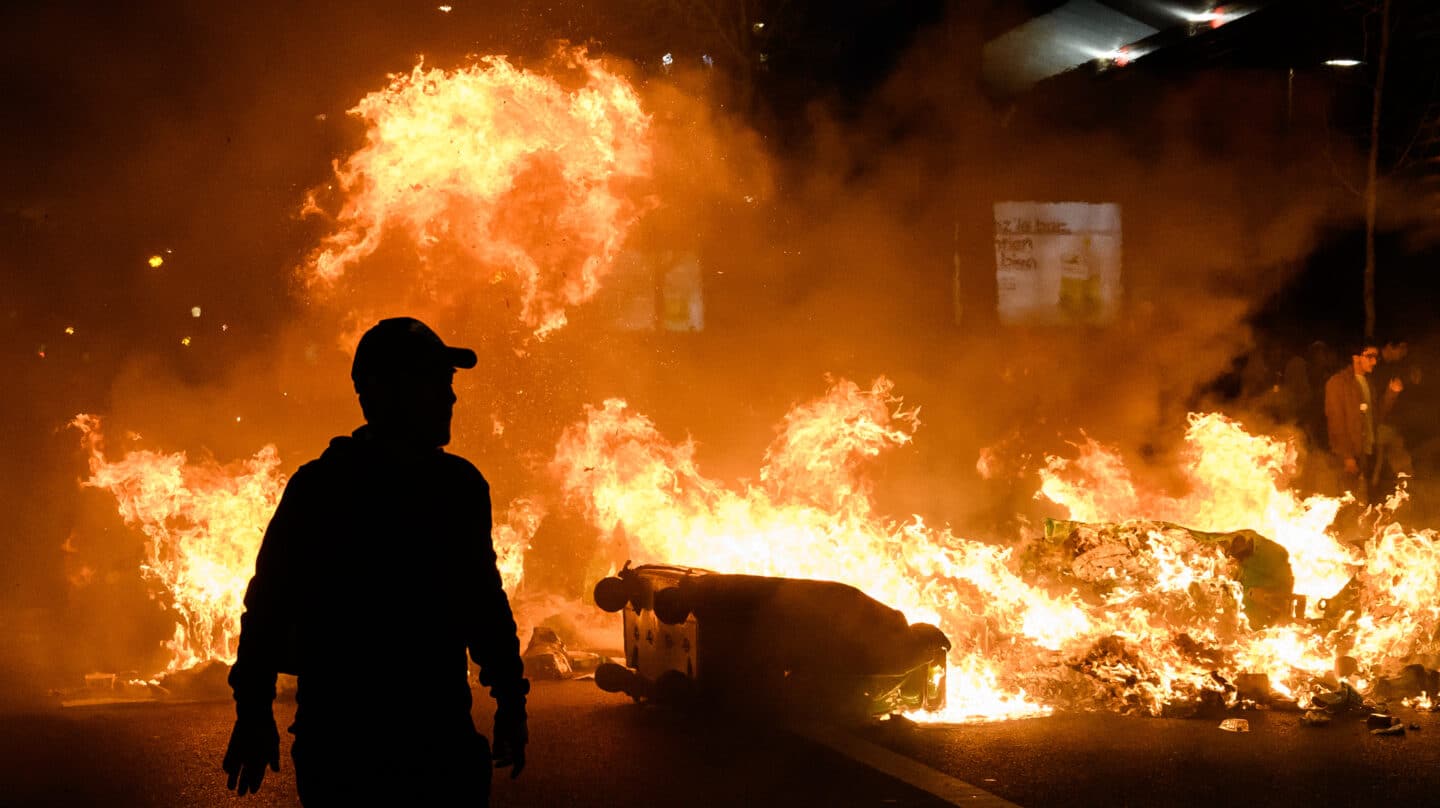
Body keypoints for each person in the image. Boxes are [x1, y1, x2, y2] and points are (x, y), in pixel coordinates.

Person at [221, 317, 529, 805]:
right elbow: (269, 608)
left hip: (412, 743)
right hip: (358, 750)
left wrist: (512, 698)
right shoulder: (328, 490)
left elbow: (483, 602)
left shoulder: (455, 486)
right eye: (437, 383)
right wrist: (253, 713)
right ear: (389, 392)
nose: (451, 399)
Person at [1325, 340, 1402, 503]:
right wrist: (1347, 457)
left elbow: (1376, 417)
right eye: (1370, 356)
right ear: (1356, 357)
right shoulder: (1338, 383)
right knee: (1345, 503)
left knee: (1363, 502)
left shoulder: (1368, 383)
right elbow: (1336, 423)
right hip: (1347, 456)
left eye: (1376, 357)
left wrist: (1391, 394)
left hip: (1365, 453)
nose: (1374, 361)